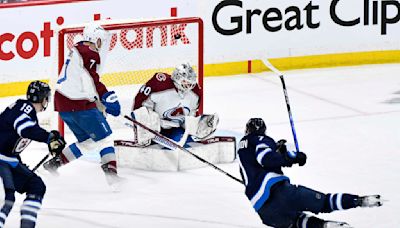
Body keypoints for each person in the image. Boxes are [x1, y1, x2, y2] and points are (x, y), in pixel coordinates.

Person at [237, 118, 383, 228]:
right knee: (324, 202)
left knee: (296, 221)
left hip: (264, 212)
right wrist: (291, 157)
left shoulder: (242, 151)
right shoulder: (259, 139)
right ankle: (360, 201)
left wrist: (278, 152)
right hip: (279, 193)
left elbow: (259, 166)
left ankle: (326, 226)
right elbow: (266, 159)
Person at [43, 23, 122, 186]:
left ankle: (55, 163)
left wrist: (98, 101)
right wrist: (106, 96)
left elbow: (83, 80)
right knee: (106, 138)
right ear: (95, 38)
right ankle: (113, 177)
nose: (101, 44)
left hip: (63, 104)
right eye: (100, 40)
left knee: (89, 141)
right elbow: (92, 80)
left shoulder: (78, 48)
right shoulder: (90, 53)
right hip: (77, 104)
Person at [0, 80, 66, 228]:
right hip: (2, 160)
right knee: (7, 198)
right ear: (43, 99)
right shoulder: (25, 108)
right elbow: (24, 128)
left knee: (35, 185)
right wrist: (49, 138)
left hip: (8, 160)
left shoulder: (26, 111)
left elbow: (11, 140)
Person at [131, 63, 218, 146]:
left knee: (187, 133)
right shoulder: (160, 85)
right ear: (177, 78)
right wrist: (141, 125)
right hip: (156, 129)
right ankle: (146, 138)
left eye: (191, 83)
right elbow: (140, 104)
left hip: (177, 128)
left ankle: (198, 131)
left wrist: (193, 126)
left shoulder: (195, 93)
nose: (189, 85)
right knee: (143, 113)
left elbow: (192, 113)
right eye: (186, 82)